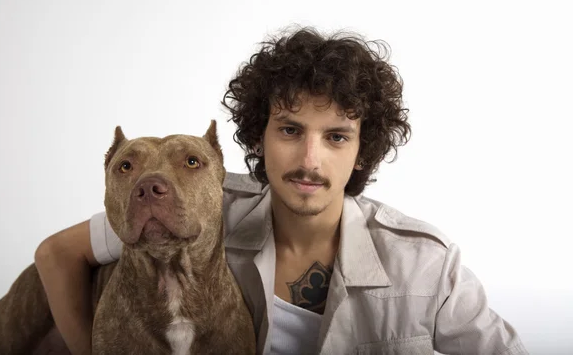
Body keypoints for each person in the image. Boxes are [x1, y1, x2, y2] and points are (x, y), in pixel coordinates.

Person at [35, 27, 528, 355]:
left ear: (362, 150)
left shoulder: (425, 264)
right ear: (259, 136)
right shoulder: (200, 206)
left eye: (336, 136)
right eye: (290, 130)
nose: (309, 160)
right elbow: (58, 254)